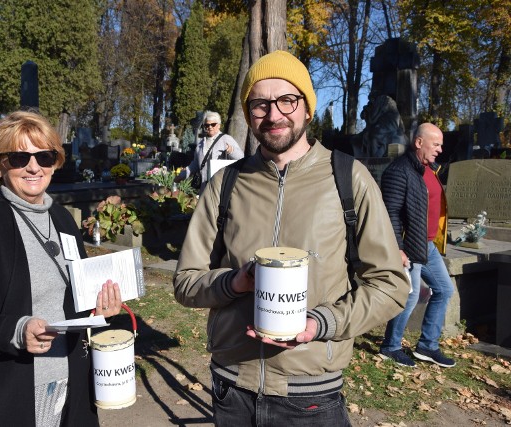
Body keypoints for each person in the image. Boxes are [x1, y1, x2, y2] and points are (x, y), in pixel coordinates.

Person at [173, 50, 409, 426]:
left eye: (287, 100)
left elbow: (391, 284)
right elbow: (186, 283)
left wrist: (321, 323)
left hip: (311, 396)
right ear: (249, 114)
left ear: (307, 108)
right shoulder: (226, 184)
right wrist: (235, 281)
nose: (274, 114)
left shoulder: (350, 178)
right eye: (260, 104)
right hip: (232, 388)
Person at [0, 111, 122, 427]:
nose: (34, 167)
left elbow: (75, 300)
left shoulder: (64, 222)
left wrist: (100, 310)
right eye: (19, 157)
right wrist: (15, 331)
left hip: (68, 388)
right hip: (6, 393)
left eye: (44, 157)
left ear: (55, 162)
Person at [379, 123, 456, 368]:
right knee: (410, 297)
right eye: (436, 144)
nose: (440, 150)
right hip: (410, 246)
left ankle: (427, 346)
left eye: (441, 145)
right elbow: (389, 212)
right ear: (419, 142)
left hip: (428, 246)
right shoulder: (399, 171)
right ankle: (390, 347)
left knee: (444, 290)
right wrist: (398, 248)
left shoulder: (428, 169)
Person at [175, 111, 244, 193]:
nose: (210, 127)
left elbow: (241, 157)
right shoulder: (200, 144)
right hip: (205, 187)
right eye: (207, 125)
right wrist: (182, 175)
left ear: (219, 125)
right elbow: (195, 165)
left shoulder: (226, 139)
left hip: (221, 187)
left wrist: (231, 150)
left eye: (213, 124)